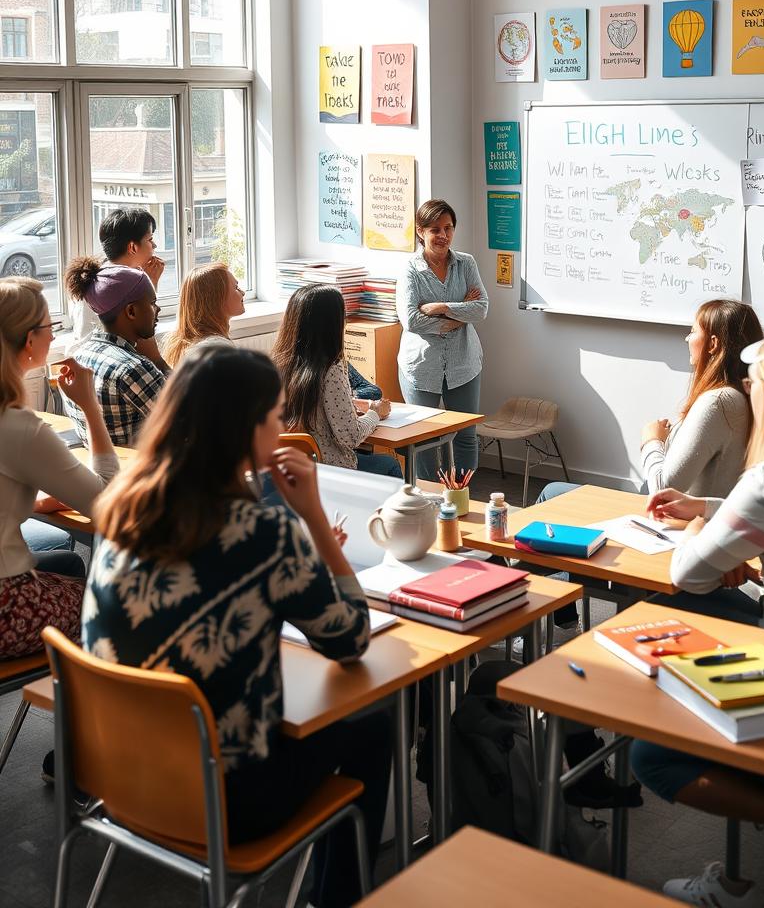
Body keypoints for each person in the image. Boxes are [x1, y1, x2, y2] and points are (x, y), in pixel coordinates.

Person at [83, 346, 390, 907]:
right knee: (372, 721)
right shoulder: (265, 532)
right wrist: (314, 518)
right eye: (275, 417)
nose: (282, 427)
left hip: (118, 774)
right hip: (225, 800)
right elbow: (350, 638)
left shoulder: (118, 510)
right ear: (246, 430)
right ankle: (338, 897)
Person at [632, 328, 764, 906]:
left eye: (756, 380)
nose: (747, 386)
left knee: (653, 755)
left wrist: (699, 526)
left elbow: (687, 575)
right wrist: (714, 509)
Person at [0, 277, 118, 657]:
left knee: (68, 562)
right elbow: (108, 506)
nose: (55, 336)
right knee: (121, 602)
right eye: (51, 326)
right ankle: (100, 706)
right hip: (6, 605)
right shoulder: (20, 427)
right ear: (30, 340)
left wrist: (30, 502)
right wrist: (90, 407)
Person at [396, 199, 488, 478]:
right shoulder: (410, 270)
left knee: (466, 436)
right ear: (420, 231)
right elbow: (411, 320)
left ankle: (463, 496)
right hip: (421, 366)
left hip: (464, 364)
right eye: (435, 229)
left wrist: (442, 307)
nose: (443, 235)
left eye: (448, 228)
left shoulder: (466, 263)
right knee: (423, 438)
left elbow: (481, 308)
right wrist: (459, 314)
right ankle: (431, 500)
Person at [272, 285, 402, 477]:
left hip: (293, 469)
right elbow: (350, 437)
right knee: (389, 464)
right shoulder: (331, 370)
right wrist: (375, 413)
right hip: (331, 469)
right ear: (331, 323)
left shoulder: (277, 364)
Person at [641, 299, 763, 498]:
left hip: (695, 524)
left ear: (713, 343)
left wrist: (652, 441)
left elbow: (664, 489)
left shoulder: (719, 401)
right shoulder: (746, 395)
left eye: (693, 331)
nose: (687, 339)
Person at [63, 258, 166, 447]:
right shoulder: (133, 369)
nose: (158, 309)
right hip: (134, 471)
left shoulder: (79, 357)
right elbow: (188, 422)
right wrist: (157, 360)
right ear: (131, 311)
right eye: (152, 303)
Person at [66, 207, 168, 372]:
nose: (154, 245)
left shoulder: (106, 277)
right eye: (150, 239)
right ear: (132, 247)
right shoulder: (107, 287)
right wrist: (150, 283)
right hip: (101, 371)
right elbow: (144, 337)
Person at [163, 262, 245, 366]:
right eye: (236, 287)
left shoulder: (191, 343)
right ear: (216, 299)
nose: (243, 292)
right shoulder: (219, 350)